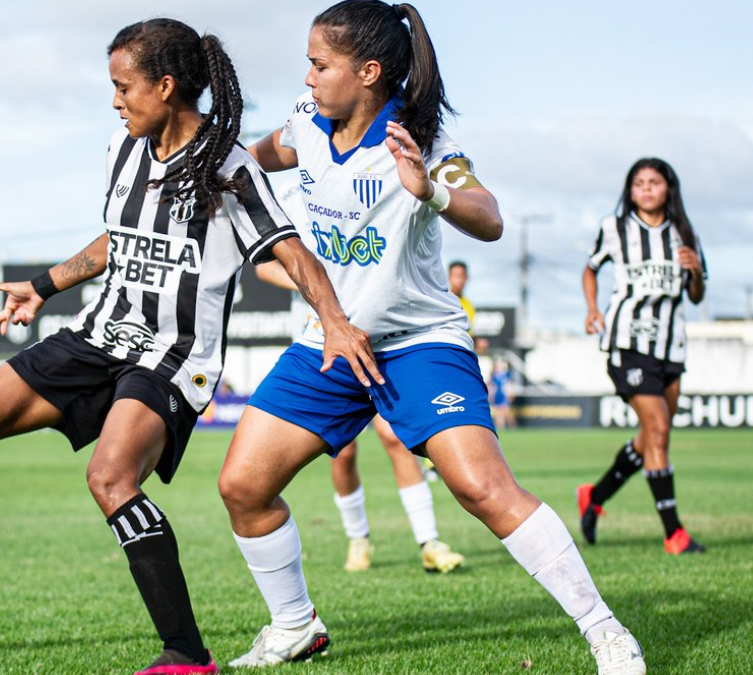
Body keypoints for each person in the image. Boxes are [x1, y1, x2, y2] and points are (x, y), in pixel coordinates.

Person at [0, 19, 366, 675]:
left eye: (123, 86)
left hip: (171, 356)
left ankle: (186, 653)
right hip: (98, 335)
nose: (115, 100)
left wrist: (334, 320)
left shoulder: (227, 167)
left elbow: (289, 247)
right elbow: (118, 237)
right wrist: (44, 285)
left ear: (165, 87)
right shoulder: (123, 147)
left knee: (110, 477)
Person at [217, 3, 645, 673]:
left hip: (419, 342)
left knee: (481, 487)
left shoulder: (420, 144)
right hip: (329, 340)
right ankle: (294, 625)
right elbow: (255, 157)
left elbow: (491, 216)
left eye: (319, 64)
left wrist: (433, 193)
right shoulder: (306, 123)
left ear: (369, 72)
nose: (307, 77)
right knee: (243, 483)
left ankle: (606, 630)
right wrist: (214, 162)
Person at [256, 263, 465, 574]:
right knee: (342, 452)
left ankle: (429, 541)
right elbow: (266, 267)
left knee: (396, 440)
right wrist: (318, 286)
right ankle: (358, 539)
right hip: (328, 346)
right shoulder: (310, 223)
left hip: (385, 344)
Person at [579, 157, 707, 556]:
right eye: (639, 183)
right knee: (660, 431)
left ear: (669, 187)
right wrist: (592, 308)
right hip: (627, 345)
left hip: (671, 348)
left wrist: (696, 271)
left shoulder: (684, 234)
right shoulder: (614, 228)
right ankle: (674, 533)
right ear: (630, 190)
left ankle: (594, 495)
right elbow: (590, 268)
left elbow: (697, 294)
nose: (647, 188)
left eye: (654, 182)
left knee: (652, 435)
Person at [488, 358, 517, 429]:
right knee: (499, 413)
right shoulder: (494, 376)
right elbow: (491, 386)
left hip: (504, 395)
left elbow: (509, 385)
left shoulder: (506, 375)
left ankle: (513, 426)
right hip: (497, 395)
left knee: (507, 411)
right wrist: (491, 395)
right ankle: (501, 427)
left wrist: (510, 394)